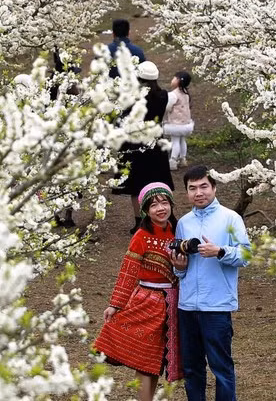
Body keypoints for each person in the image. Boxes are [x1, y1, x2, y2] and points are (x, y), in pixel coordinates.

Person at [94, 183, 183, 400]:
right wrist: (115, 304)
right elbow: (128, 272)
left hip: (174, 303)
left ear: (171, 204)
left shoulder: (178, 230)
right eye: (153, 205)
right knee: (145, 362)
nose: (160, 208)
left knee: (157, 362)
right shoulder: (141, 236)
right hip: (148, 303)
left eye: (164, 202)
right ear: (145, 210)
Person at [169, 165, 249, 401]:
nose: (199, 193)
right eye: (192, 188)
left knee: (221, 368)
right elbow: (181, 267)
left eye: (203, 186)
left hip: (216, 306)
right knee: (192, 369)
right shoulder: (183, 223)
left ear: (214, 188)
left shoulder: (230, 218)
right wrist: (179, 267)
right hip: (187, 306)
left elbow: (246, 255)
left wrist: (220, 251)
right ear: (187, 192)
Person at [112, 61, 175, 233]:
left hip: (134, 144)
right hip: (155, 143)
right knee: (158, 180)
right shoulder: (163, 96)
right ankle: (163, 216)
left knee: (136, 184)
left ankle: (139, 221)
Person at [163, 70, 195, 171]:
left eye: (174, 78)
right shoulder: (186, 94)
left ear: (178, 81)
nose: (172, 80)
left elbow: (168, 107)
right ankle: (182, 158)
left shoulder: (173, 94)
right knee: (182, 140)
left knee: (175, 141)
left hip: (176, 123)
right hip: (185, 122)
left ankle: (173, 161)